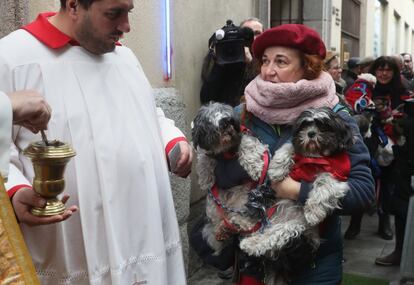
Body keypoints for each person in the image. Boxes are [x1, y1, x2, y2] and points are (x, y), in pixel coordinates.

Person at [0, 0, 192, 284]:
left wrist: (171, 139)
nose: (126, 26)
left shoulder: (124, 57)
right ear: (75, 6)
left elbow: (149, 112)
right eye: (114, 14)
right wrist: (15, 190)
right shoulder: (13, 56)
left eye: (128, 12)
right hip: (70, 245)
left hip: (142, 233)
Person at [214, 24, 375, 284]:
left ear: (307, 67)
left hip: (314, 263)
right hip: (254, 260)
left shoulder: (336, 116)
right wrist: (257, 170)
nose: (268, 71)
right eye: (264, 61)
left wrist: (296, 191)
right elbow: (217, 174)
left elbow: (364, 192)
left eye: (281, 62)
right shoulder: (242, 112)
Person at [200, 18, 262, 106]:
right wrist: (219, 62)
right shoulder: (226, 58)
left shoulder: (266, 59)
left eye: (257, 33)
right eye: (247, 34)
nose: (252, 38)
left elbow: (263, 92)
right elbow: (206, 98)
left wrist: (251, 63)